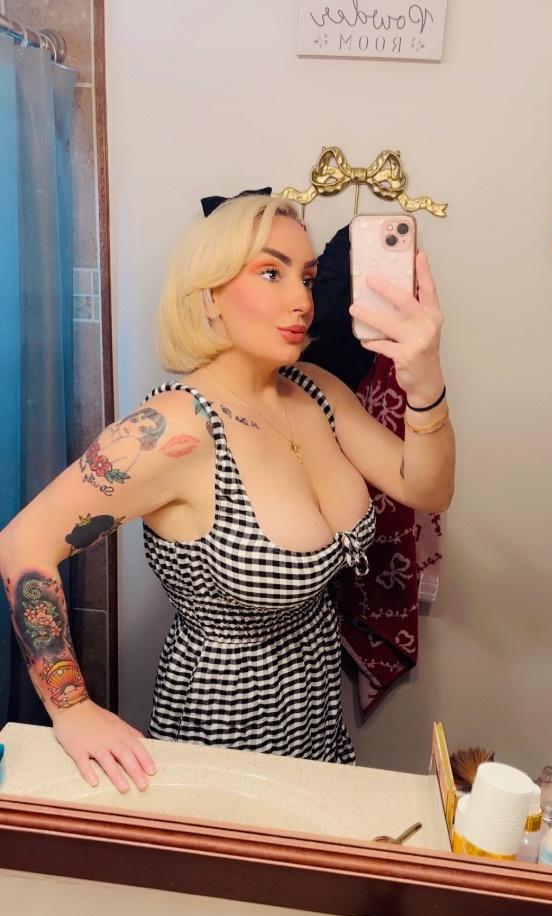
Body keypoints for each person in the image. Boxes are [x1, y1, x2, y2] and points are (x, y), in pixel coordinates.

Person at [0, 195, 455, 793]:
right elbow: (22, 544)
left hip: (316, 719)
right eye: (270, 272)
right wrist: (71, 708)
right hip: (223, 731)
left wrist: (425, 382)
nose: (302, 301)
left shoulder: (315, 390)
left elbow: (427, 487)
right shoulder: (173, 430)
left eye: (306, 278)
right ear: (209, 294)